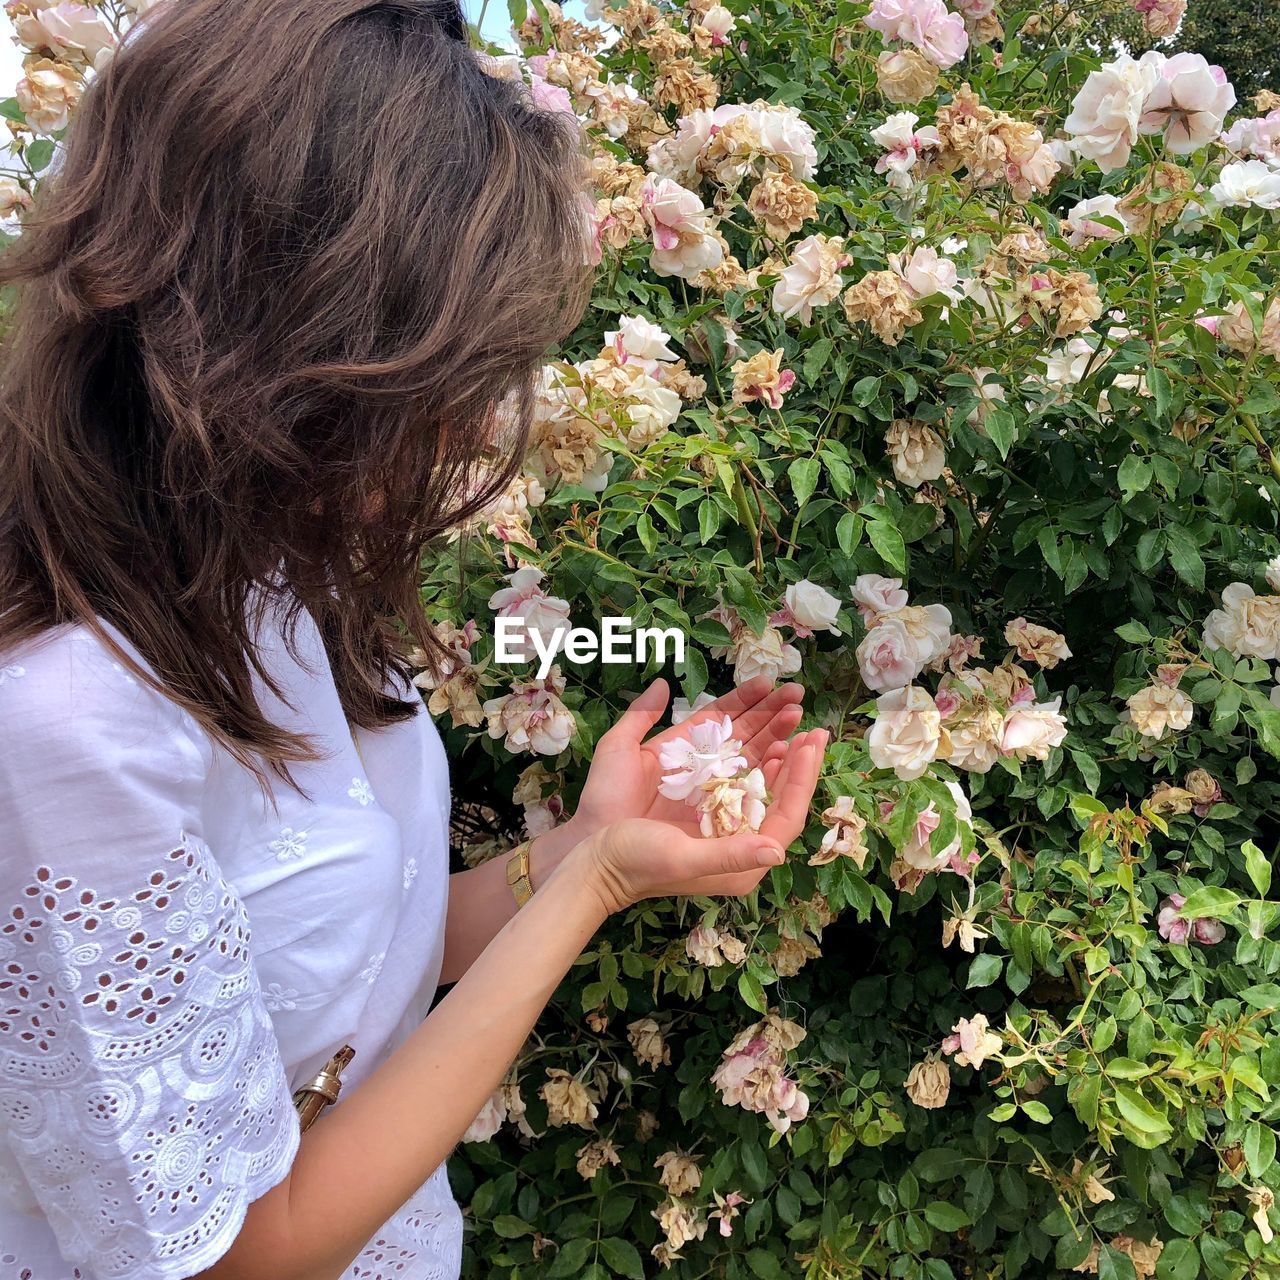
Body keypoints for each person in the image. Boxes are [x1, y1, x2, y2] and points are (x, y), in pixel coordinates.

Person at [0, 3, 826, 1278]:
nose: (471, 429)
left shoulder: (273, 585)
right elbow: (241, 1256)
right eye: (446, 370)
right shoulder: (69, 724)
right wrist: (594, 882)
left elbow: (356, 955)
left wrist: (583, 846)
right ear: (284, 334)